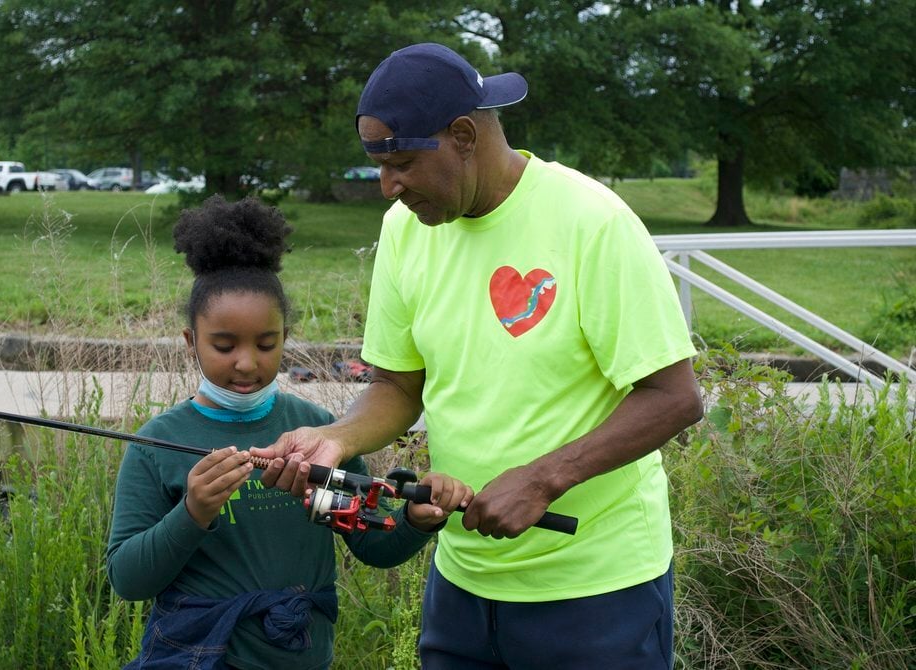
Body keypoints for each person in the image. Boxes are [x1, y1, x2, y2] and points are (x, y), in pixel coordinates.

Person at [252, 43, 704, 668]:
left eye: (403, 163)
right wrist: (336, 440)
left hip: (597, 592)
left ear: (463, 135)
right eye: (379, 167)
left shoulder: (590, 221)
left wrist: (545, 478)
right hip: (462, 587)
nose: (388, 187)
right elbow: (397, 387)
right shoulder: (405, 231)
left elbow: (673, 398)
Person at [107, 194, 473, 670]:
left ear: (285, 338)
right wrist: (193, 511)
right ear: (190, 341)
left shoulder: (323, 435)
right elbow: (128, 580)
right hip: (196, 657)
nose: (246, 362)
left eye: (266, 344)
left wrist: (417, 522)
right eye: (223, 345)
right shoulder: (156, 445)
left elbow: (374, 546)